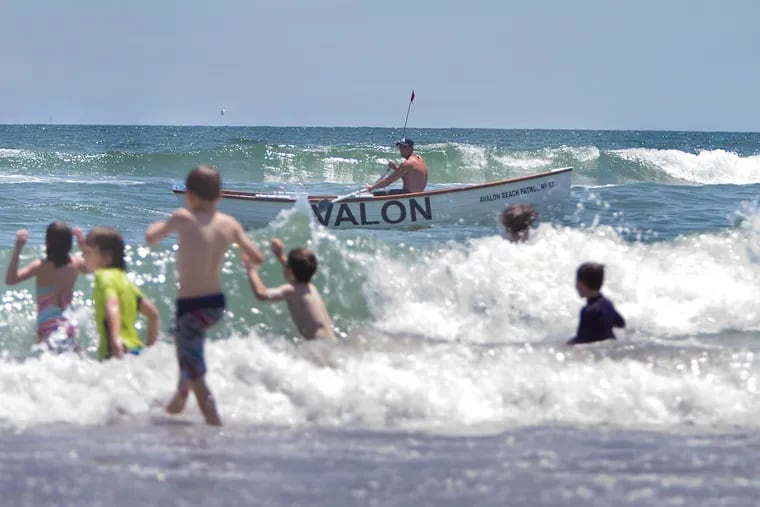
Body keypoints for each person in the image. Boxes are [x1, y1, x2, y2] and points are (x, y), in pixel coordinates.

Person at [145, 164, 264, 426]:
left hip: (191, 305)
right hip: (214, 304)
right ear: (219, 197)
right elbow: (256, 256)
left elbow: (152, 237)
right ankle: (179, 395)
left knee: (192, 360)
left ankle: (212, 419)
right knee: (187, 347)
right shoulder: (229, 223)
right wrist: (247, 260)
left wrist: (156, 226)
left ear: (189, 195)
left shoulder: (182, 217)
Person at [5, 222, 89, 352]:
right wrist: (83, 247)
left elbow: (11, 280)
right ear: (69, 244)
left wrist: (18, 248)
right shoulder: (76, 263)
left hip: (46, 327)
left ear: (47, 243)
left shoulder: (41, 266)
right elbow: (94, 269)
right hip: (68, 325)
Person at [82, 227, 159, 359]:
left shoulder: (103, 276)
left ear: (107, 257)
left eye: (88, 252)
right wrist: (150, 349)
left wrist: (115, 339)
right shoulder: (125, 280)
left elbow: (113, 304)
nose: (83, 256)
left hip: (116, 351)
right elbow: (153, 315)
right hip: (136, 350)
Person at [243, 238, 336, 341]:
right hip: (331, 343)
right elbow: (297, 269)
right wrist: (279, 254)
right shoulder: (310, 287)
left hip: (320, 348)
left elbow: (261, 294)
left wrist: (251, 268)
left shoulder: (291, 290)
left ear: (290, 271)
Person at [566, 262, 625, 346]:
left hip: (593, 351)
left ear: (581, 284)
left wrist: (566, 345)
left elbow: (581, 339)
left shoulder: (588, 310)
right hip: (609, 346)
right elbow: (620, 323)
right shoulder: (608, 304)